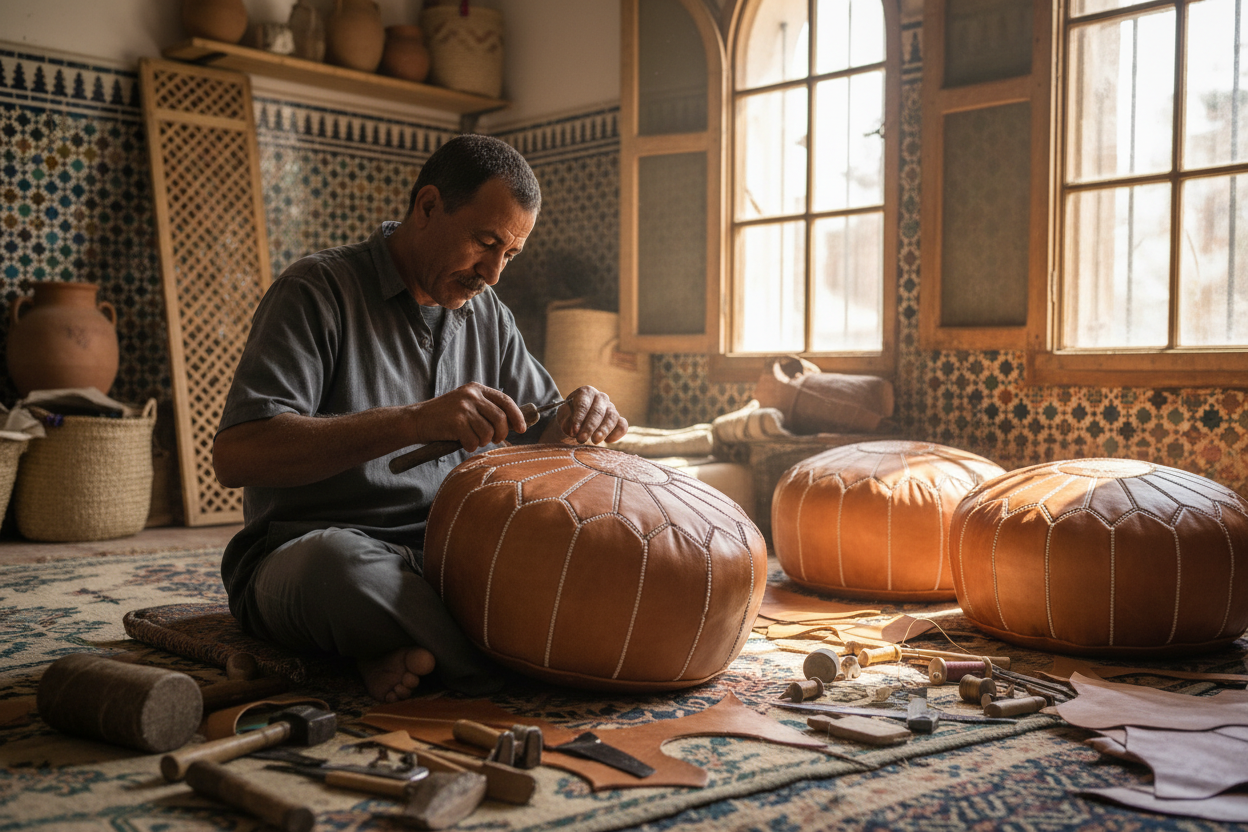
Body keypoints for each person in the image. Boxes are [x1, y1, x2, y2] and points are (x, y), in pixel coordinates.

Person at [212, 134, 629, 703]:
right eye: (485, 243)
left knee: (595, 559)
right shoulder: (316, 291)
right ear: (428, 206)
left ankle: (393, 647)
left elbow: (544, 443)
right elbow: (237, 455)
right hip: (315, 554)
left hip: (451, 559)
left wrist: (582, 416)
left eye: (510, 254)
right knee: (341, 571)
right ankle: (499, 686)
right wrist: (412, 421)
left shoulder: (489, 316)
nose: (493, 272)